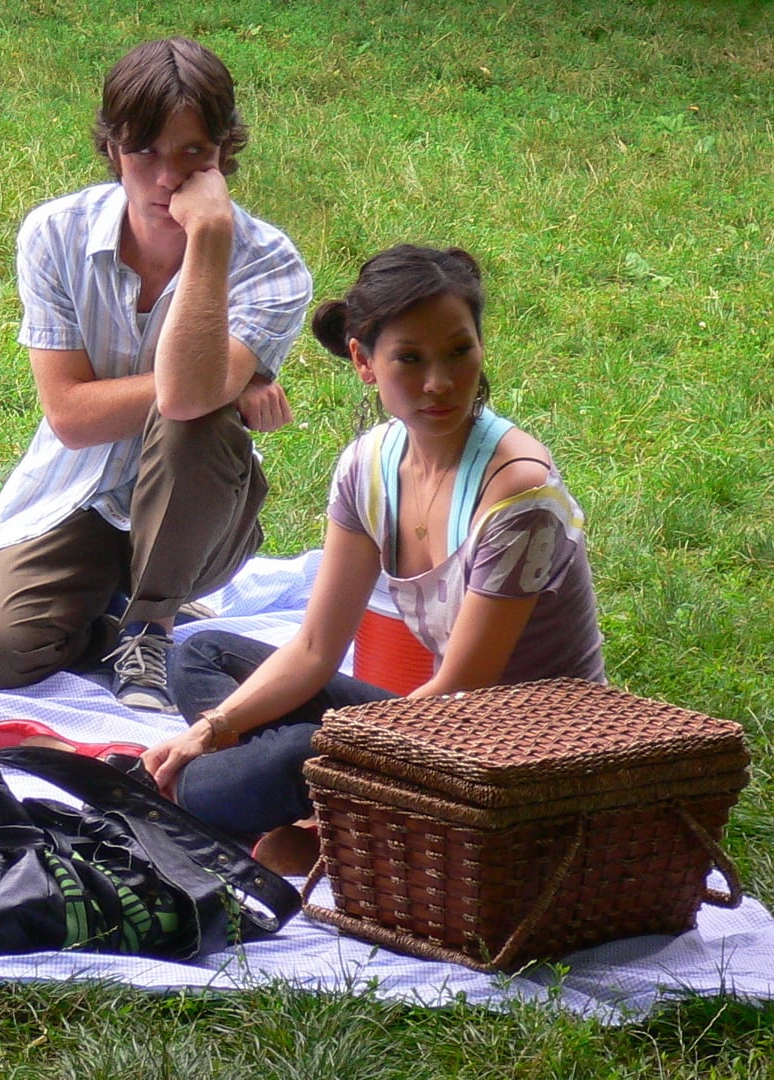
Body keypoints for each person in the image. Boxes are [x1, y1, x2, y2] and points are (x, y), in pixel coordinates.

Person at [143, 244, 606, 872]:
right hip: (438, 728)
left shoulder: (519, 494)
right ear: (363, 361)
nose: (439, 382)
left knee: (302, 748)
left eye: (459, 351)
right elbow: (313, 649)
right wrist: (210, 731)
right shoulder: (369, 465)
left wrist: (332, 749)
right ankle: (317, 813)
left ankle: (242, 800)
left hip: (519, 755)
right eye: (409, 359)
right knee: (203, 655)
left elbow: (462, 689)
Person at [0, 36, 312, 712]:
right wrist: (226, 380)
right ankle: (110, 617)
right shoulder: (54, 235)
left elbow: (186, 404)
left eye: (192, 153)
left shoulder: (270, 264)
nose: (165, 177)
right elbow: (70, 415)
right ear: (113, 148)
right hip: (76, 496)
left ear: (223, 155)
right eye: (143, 150)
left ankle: (150, 623)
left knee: (195, 420)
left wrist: (208, 242)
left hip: (199, 514)